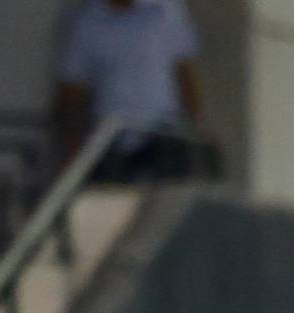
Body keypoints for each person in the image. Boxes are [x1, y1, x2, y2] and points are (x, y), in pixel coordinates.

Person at [54, 0, 208, 181]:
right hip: (110, 143)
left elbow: (185, 71)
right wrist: (73, 150)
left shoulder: (167, 10)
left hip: (165, 138)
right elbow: (73, 90)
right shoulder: (85, 22)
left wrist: (198, 126)